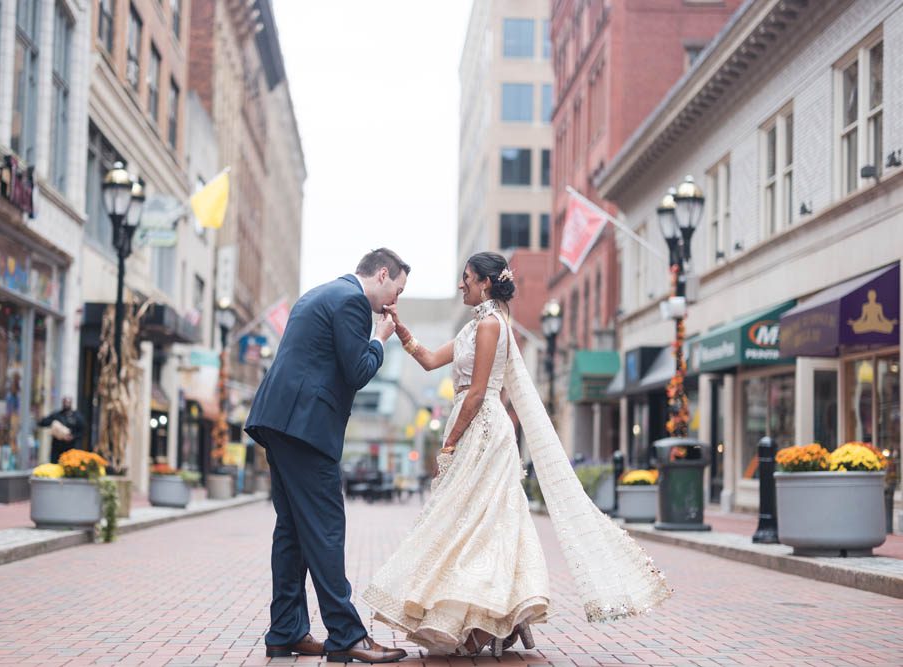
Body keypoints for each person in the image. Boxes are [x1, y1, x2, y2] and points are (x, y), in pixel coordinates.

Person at [362, 252, 671, 656]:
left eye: (467, 277)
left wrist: (450, 442)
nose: (461, 284)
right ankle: (498, 616)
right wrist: (400, 331)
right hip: (471, 424)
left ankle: (496, 615)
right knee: (466, 521)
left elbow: (477, 394)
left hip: (484, 430)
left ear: (486, 283)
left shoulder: (492, 325)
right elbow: (430, 360)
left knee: (483, 523)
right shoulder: (475, 326)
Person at [245, 248, 410, 664]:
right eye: (397, 289)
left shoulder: (319, 294)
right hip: (306, 428)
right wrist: (380, 338)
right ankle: (346, 635)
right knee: (326, 529)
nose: (395, 300)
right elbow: (357, 371)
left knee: (293, 531)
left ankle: (285, 631)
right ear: (383, 274)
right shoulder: (353, 302)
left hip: (279, 422)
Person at [38, 396, 86, 463]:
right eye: (65, 402)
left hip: (71, 448)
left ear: (71, 403)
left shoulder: (77, 417)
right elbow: (43, 422)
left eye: (68, 402)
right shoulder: (57, 415)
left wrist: (73, 437)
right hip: (58, 448)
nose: (66, 404)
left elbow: (82, 431)